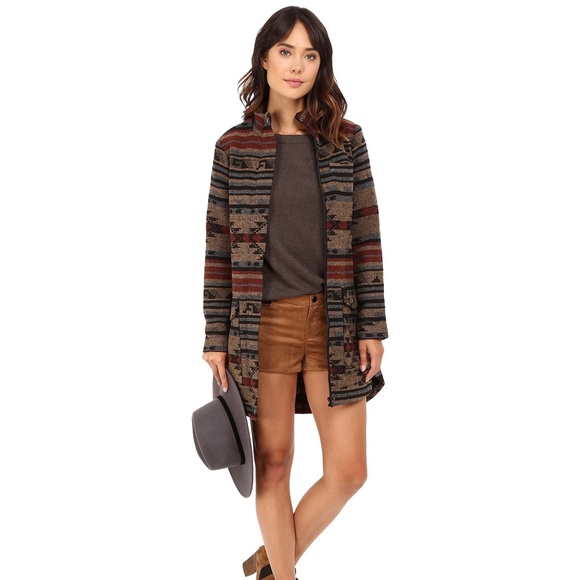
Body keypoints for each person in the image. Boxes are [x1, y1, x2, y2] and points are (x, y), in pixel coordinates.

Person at [201, 6, 388, 579]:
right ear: (265, 57)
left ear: (321, 65)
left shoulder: (345, 141)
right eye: (286, 51)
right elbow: (217, 247)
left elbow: (366, 234)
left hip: (336, 321)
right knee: (274, 463)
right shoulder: (234, 146)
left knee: (349, 471)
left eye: (310, 55)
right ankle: (284, 575)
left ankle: (272, 559)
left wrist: (372, 326)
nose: (297, 65)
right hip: (262, 327)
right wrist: (215, 337)